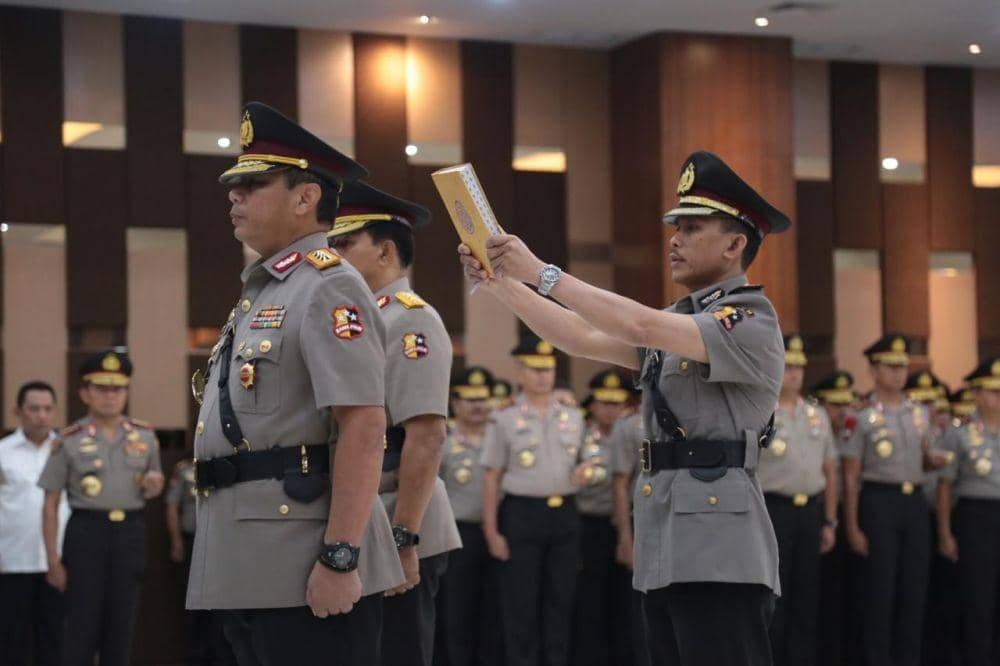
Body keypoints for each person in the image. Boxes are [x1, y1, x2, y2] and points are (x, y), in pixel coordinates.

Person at [459, 150, 788, 665]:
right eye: (675, 227)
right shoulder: (679, 321)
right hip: (667, 534)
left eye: (692, 228)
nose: (675, 239)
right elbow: (578, 335)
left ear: (735, 244)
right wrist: (500, 282)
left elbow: (638, 325)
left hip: (720, 547)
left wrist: (541, 272)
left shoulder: (749, 319)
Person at [184, 102, 403, 666]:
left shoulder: (328, 285)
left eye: (252, 185)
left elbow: (364, 424)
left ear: (305, 197)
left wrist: (340, 556)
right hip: (252, 557)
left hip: (304, 561)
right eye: (234, 187)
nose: (234, 197)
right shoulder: (268, 290)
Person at [328, 181, 460, 665]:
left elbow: (426, 436)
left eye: (345, 243)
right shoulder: (358, 319)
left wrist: (405, 538)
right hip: (365, 518)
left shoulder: (409, 320)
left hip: (398, 522)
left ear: (385, 251)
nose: (333, 254)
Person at [37, 350, 165, 666]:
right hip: (86, 532)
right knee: (81, 623)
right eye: (102, 388)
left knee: (123, 622)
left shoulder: (145, 436)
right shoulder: (68, 439)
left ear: (126, 393)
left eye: (117, 389)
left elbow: (154, 480)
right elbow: (50, 503)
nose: (110, 396)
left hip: (129, 533)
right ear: (85, 393)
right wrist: (53, 560)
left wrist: (155, 484)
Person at [841, 334, 950, 666]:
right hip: (879, 501)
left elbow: (924, 458)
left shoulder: (918, 413)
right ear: (874, 371)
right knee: (881, 590)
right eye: (890, 367)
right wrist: (852, 526)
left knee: (914, 590)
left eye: (902, 367)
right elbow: (851, 475)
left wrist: (933, 461)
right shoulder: (861, 415)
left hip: (914, 502)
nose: (899, 373)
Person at [480, 333, 586, 666]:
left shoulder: (573, 414)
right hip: (522, 513)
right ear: (519, 371)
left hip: (564, 513)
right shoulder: (504, 417)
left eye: (548, 369)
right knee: (520, 601)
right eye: (535, 369)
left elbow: (586, 460)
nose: (543, 376)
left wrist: (585, 471)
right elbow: (491, 475)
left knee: (561, 599)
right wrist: (491, 531)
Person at [756, 334, 839, 666]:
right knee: (775, 597)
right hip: (775, 511)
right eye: (788, 366)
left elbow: (830, 469)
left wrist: (830, 520)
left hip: (810, 513)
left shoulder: (816, 414)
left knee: (807, 597)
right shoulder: (760, 412)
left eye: (799, 367)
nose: (794, 373)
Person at [936, 357, 1000, 666]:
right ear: (976, 393)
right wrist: (945, 532)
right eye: (993, 391)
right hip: (977, 517)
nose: (998, 397)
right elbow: (945, 486)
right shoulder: (959, 433)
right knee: (978, 599)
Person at [440, 366, 504, 666]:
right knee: (458, 610)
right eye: (470, 399)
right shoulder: (444, 439)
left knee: (495, 612)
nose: (478, 405)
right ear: (455, 402)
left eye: (482, 398)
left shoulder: (501, 435)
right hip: (458, 535)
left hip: (501, 533)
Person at [0, 381, 68, 666]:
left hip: (59, 563)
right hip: (13, 563)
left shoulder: (66, 449)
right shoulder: (3, 452)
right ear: (17, 411)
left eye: (48, 409)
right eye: (34, 409)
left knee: (55, 643)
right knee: (12, 644)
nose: (42, 416)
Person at [572, 368, 632, 666]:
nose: (611, 410)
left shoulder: (632, 434)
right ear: (593, 403)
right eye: (605, 403)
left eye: (617, 403)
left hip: (625, 525)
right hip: (589, 525)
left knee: (625, 600)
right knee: (590, 599)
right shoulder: (578, 435)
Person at [166, 458, 235, 665]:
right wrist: (176, 541)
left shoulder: (231, 463)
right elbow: (172, 505)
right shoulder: (185, 469)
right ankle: (194, 657)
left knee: (222, 609)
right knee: (193, 607)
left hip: (224, 546)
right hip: (193, 542)